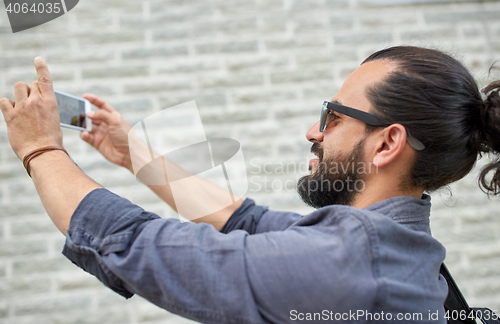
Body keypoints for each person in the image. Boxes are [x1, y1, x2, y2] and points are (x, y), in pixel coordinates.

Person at [1, 46, 499, 324]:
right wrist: (131, 152)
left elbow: (139, 247)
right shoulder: (400, 250)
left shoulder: (354, 262)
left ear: (387, 143)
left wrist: (40, 149)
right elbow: (246, 221)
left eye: (332, 116)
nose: (313, 131)